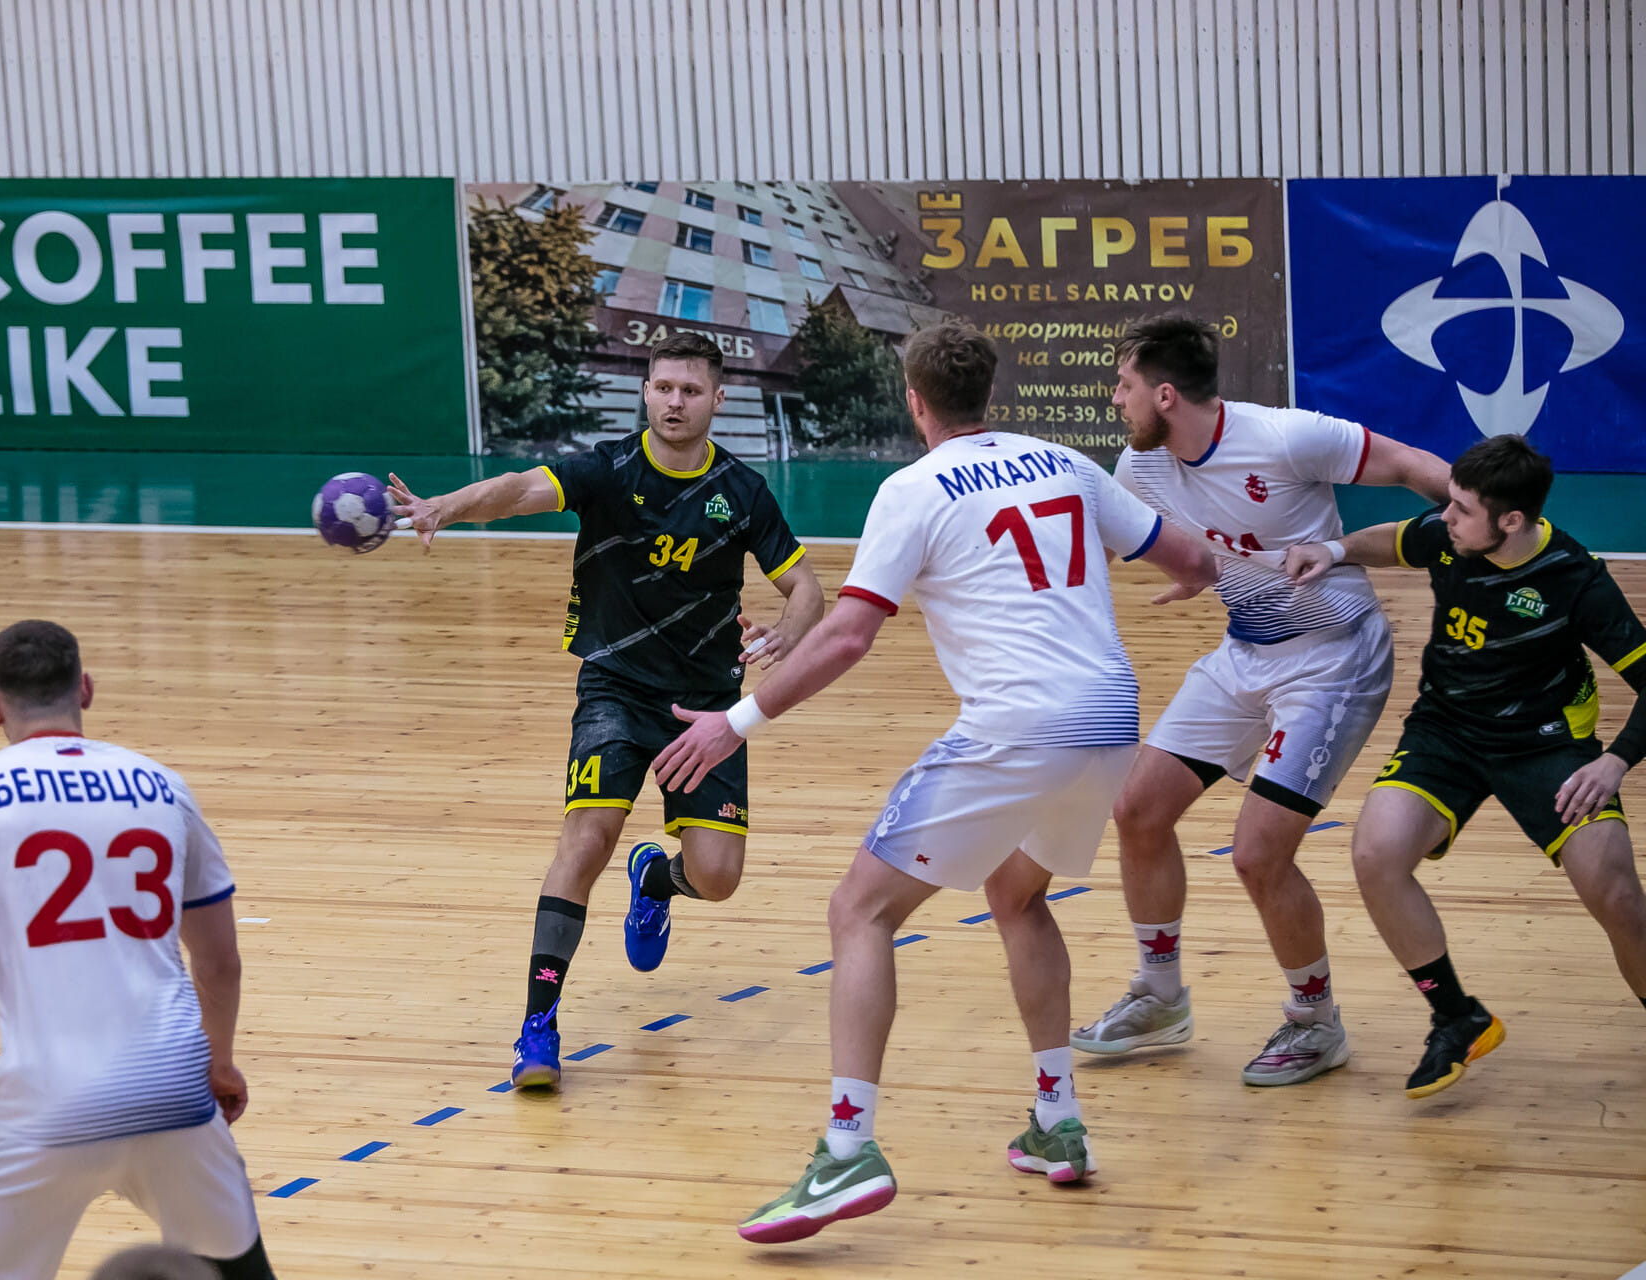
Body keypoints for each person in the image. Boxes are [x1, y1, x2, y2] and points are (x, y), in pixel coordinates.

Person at [652, 323, 1218, 1242]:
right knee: (1017, 896)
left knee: (859, 912)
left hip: (1018, 726)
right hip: (1112, 720)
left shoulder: (912, 489)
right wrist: (1191, 579)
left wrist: (735, 722)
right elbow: (1192, 560)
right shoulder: (1065, 463)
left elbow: (848, 634)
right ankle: (1058, 1119)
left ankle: (846, 1151)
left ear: (914, 400)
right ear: (986, 393)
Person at [389, 332, 824, 1090]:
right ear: (646, 391)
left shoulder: (743, 490)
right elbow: (518, 490)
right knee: (586, 839)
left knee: (718, 877)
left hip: (706, 707)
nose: (675, 402)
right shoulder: (607, 469)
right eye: (664, 388)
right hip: (615, 688)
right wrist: (444, 508)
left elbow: (807, 588)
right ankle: (538, 1026)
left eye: (691, 390)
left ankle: (656, 881)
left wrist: (789, 631)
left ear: (718, 399)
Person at [1071, 313, 1451, 1087]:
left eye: (1124, 384)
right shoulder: (1139, 466)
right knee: (1138, 811)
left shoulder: (1287, 436)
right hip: (1245, 653)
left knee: (1258, 853)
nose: (1115, 398)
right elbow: (1108, 546)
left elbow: (1419, 468)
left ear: (1166, 395)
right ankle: (1160, 995)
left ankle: (1316, 1023)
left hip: (1335, 659)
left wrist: (1493, 539)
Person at [0, 621, 273, 1280]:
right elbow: (220, 962)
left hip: (43, 1108)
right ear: (86, 689)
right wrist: (217, 1063)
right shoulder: (163, 787)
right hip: (174, 1095)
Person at [1282, 435, 1646, 1096]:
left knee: (1618, 896)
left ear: (1513, 520)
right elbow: (1398, 539)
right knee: (1376, 855)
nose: (1444, 517)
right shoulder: (1451, 536)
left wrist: (1615, 762)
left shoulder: (1576, 579)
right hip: (1446, 733)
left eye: (1461, 509)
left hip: (1547, 746)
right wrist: (1332, 550)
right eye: (1448, 503)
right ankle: (1458, 1017)